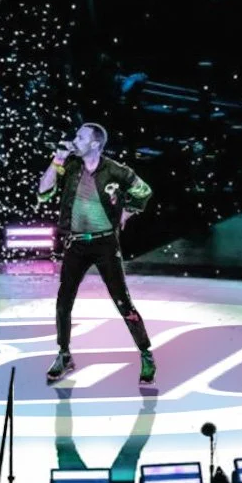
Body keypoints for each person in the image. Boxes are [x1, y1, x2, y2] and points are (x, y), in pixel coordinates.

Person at [37, 123, 155, 385]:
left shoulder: (115, 171)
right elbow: (44, 192)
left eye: (80, 137)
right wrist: (57, 159)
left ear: (94, 144)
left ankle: (145, 352)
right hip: (75, 244)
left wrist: (129, 212)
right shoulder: (69, 166)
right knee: (63, 301)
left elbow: (144, 192)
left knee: (122, 301)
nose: (74, 140)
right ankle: (64, 354)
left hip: (104, 245)